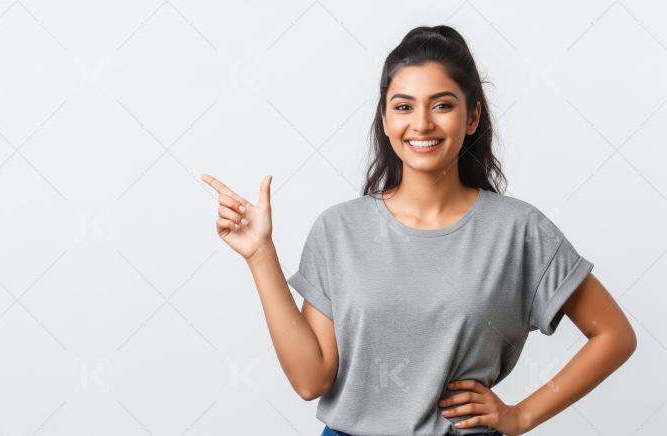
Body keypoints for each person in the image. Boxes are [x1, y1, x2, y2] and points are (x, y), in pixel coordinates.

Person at [201, 25, 636, 436]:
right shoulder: (339, 229)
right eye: (404, 106)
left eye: (442, 105)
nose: (422, 123)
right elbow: (310, 380)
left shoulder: (518, 230)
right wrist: (260, 255)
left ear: (472, 116)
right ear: (385, 119)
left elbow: (614, 335)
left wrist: (521, 415)